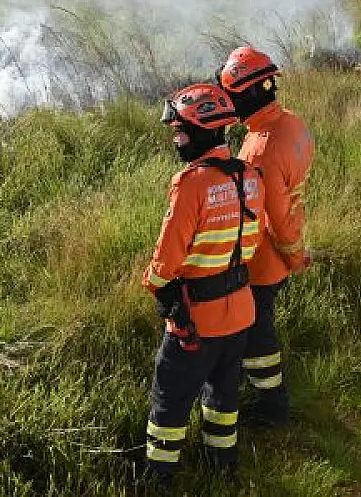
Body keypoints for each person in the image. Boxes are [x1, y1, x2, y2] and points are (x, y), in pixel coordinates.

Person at [139, 83, 265, 488]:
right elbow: (251, 240)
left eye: (181, 132)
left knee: (170, 402)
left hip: (195, 322)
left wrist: (155, 284)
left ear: (205, 132)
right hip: (240, 313)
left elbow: (166, 260)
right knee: (223, 399)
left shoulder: (190, 183)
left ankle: (159, 478)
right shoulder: (250, 177)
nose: (176, 140)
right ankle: (223, 468)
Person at [216, 46, 315, 427]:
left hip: (264, 261)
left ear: (251, 93)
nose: (231, 106)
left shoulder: (260, 150)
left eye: (234, 98)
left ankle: (272, 406)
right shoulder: (292, 123)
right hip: (281, 249)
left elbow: (275, 217)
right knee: (258, 327)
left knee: (259, 336)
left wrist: (294, 256)